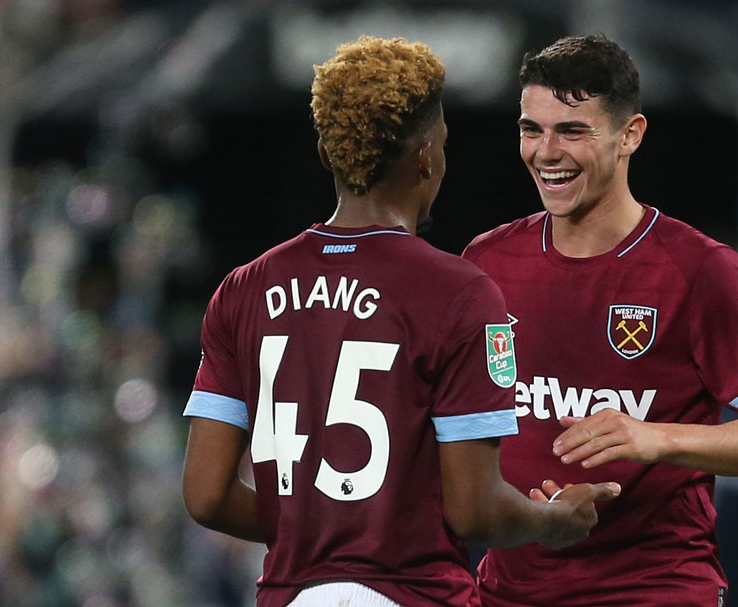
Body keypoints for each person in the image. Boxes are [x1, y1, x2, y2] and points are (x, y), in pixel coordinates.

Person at [180, 36, 619, 607]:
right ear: (427, 157)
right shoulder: (460, 292)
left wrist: (320, 530)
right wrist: (552, 520)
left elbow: (206, 496)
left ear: (326, 154)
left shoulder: (243, 290)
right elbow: (475, 509)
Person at [461, 34, 738, 607]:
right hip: (511, 591)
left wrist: (654, 437)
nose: (546, 151)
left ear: (630, 135)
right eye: (532, 129)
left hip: (651, 589)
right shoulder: (486, 262)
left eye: (573, 130)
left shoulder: (700, 270)